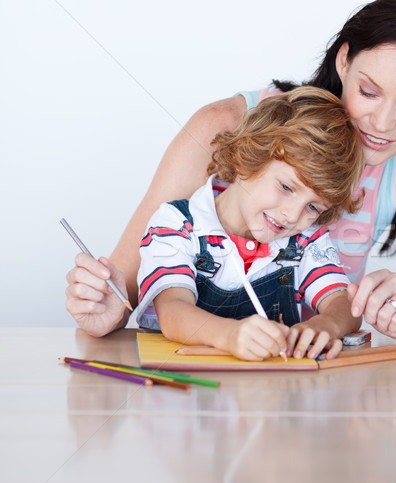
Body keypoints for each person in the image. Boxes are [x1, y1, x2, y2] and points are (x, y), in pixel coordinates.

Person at [65, 0, 396, 343]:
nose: (380, 125)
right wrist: (106, 308)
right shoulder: (225, 127)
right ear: (344, 60)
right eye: (368, 91)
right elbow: (129, 285)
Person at [134, 87, 364, 361]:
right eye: (287, 187)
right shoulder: (177, 224)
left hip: (272, 394)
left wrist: (325, 325)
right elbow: (172, 310)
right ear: (247, 159)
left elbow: (345, 304)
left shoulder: (304, 241)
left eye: (313, 207)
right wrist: (229, 336)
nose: (292, 215)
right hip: (188, 391)